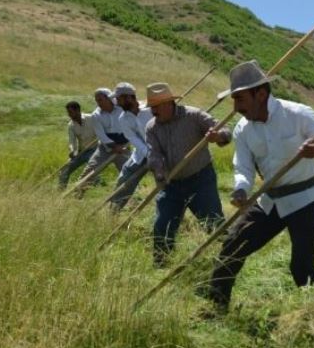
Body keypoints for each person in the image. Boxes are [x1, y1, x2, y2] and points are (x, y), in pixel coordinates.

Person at [203, 60, 314, 314]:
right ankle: (215, 308)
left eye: (240, 99)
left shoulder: (299, 114)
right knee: (232, 248)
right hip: (269, 201)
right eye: (234, 100)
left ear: (261, 94)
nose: (236, 107)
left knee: (301, 267)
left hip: (304, 199)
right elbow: (242, 167)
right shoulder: (243, 129)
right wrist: (241, 189)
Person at [145, 82, 231, 267]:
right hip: (172, 184)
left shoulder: (194, 115)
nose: (153, 112)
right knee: (162, 226)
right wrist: (159, 172)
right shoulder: (152, 127)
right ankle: (161, 266)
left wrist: (218, 136)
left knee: (213, 223)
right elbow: (154, 154)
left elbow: (225, 132)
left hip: (201, 180)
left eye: (156, 107)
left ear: (168, 103)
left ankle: (227, 262)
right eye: (151, 108)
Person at [75, 88, 131, 192]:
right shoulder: (96, 115)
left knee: (128, 173)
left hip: (124, 147)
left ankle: (131, 200)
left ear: (109, 98)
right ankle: (77, 193)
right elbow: (101, 135)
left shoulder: (121, 109)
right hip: (105, 148)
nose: (98, 103)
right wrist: (114, 147)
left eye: (100, 100)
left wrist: (123, 145)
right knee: (90, 172)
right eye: (97, 100)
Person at [109, 82, 153, 212]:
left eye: (119, 99)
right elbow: (132, 138)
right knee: (124, 178)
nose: (117, 102)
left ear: (129, 97)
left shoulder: (151, 110)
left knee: (169, 182)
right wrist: (148, 153)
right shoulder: (123, 118)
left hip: (163, 152)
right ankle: (113, 211)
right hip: (141, 154)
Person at [58, 101, 97, 189]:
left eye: (71, 112)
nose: (69, 115)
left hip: (96, 149)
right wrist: (72, 150)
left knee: (90, 169)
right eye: (68, 113)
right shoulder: (71, 125)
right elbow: (72, 142)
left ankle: (96, 183)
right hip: (82, 151)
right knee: (64, 169)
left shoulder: (91, 118)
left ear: (78, 110)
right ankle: (60, 191)